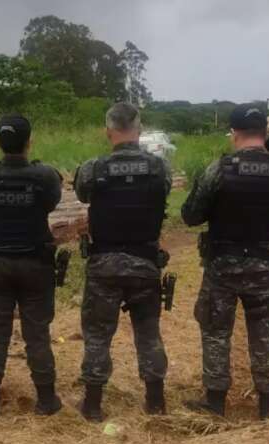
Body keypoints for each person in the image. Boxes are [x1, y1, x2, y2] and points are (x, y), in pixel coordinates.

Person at [182, 104, 269, 420]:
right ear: (263, 133)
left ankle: (214, 402)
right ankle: (268, 405)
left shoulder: (219, 169)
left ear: (234, 133)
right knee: (263, 330)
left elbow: (191, 215)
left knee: (215, 330)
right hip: (264, 267)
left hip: (222, 266)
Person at [74, 102, 170, 422]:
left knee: (98, 333)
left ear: (108, 131)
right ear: (139, 129)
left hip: (104, 263)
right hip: (145, 262)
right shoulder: (159, 167)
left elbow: (82, 194)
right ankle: (155, 401)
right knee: (148, 332)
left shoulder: (94, 168)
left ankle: (92, 404)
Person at [0, 114, 63, 418]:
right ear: (29, 141)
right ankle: (47, 399)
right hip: (35, 262)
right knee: (37, 333)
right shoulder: (46, 176)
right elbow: (50, 204)